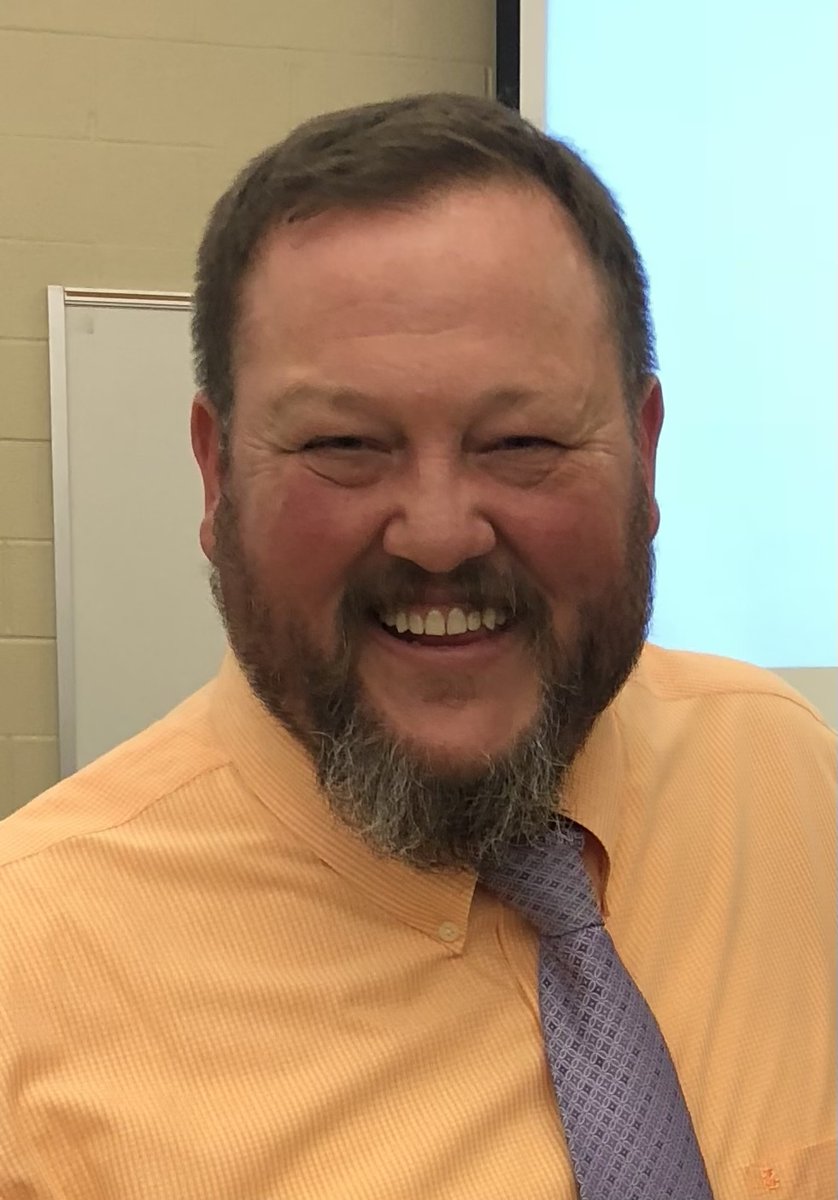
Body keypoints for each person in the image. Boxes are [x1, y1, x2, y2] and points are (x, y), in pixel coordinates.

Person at [0, 93, 834, 1199]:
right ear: (216, 473)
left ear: (644, 456)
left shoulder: (783, 783)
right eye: (345, 444)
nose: (440, 534)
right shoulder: (27, 984)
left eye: (523, 440)